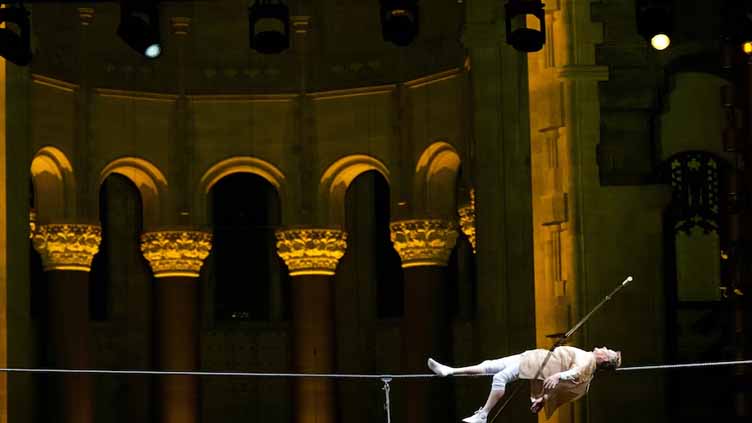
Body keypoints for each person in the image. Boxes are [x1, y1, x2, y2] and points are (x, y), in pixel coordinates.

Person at [427, 346, 621, 421]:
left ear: (604, 359)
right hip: (533, 357)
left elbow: (574, 373)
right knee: (488, 366)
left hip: (535, 365)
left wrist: (557, 376)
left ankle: (483, 415)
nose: (603, 347)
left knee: (499, 377)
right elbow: (567, 389)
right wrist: (544, 399)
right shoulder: (588, 371)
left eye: (607, 350)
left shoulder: (588, 362)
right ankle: (449, 371)